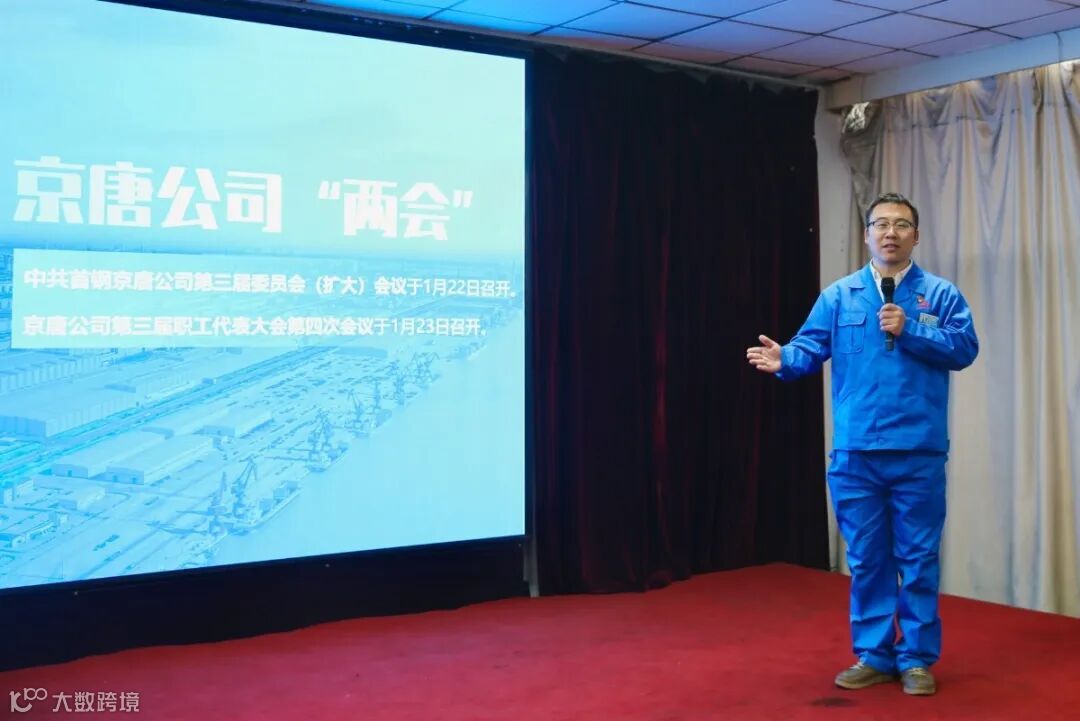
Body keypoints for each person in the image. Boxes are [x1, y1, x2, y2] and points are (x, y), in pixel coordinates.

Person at [745, 192, 978, 696]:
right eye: (881, 224)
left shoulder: (939, 295)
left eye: (902, 225)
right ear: (868, 235)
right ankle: (874, 654)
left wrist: (911, 329)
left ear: (916, 236)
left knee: (918, 558)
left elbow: (964, 348)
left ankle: (916, 659)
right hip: (856, 453)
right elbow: (810, 346)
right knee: (868, 558)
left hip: (917, 451)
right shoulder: (839, 296)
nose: (891, 233)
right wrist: (786, 358)